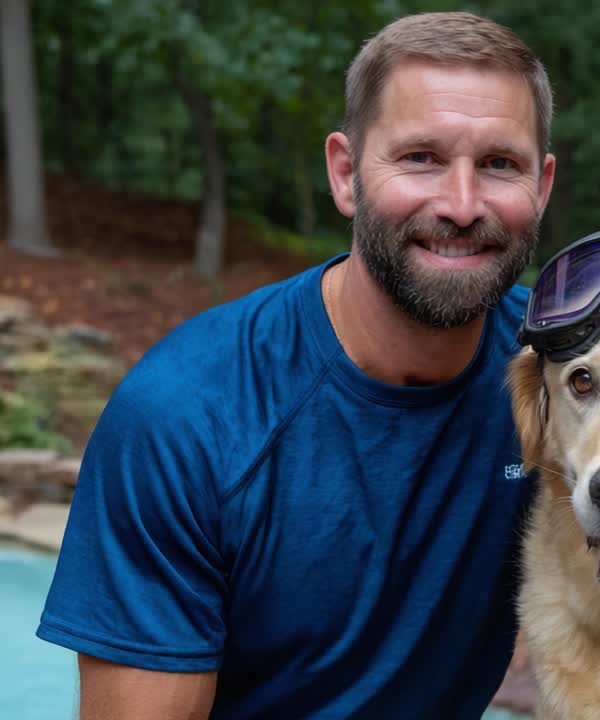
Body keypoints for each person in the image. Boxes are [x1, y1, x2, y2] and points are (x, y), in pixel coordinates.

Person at [38, 11, 555, 719]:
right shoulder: (191, 417)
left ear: (542, 186)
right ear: (346, 174)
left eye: (499, 164)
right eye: (420, 158)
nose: (462, 205)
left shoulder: (573, 372)